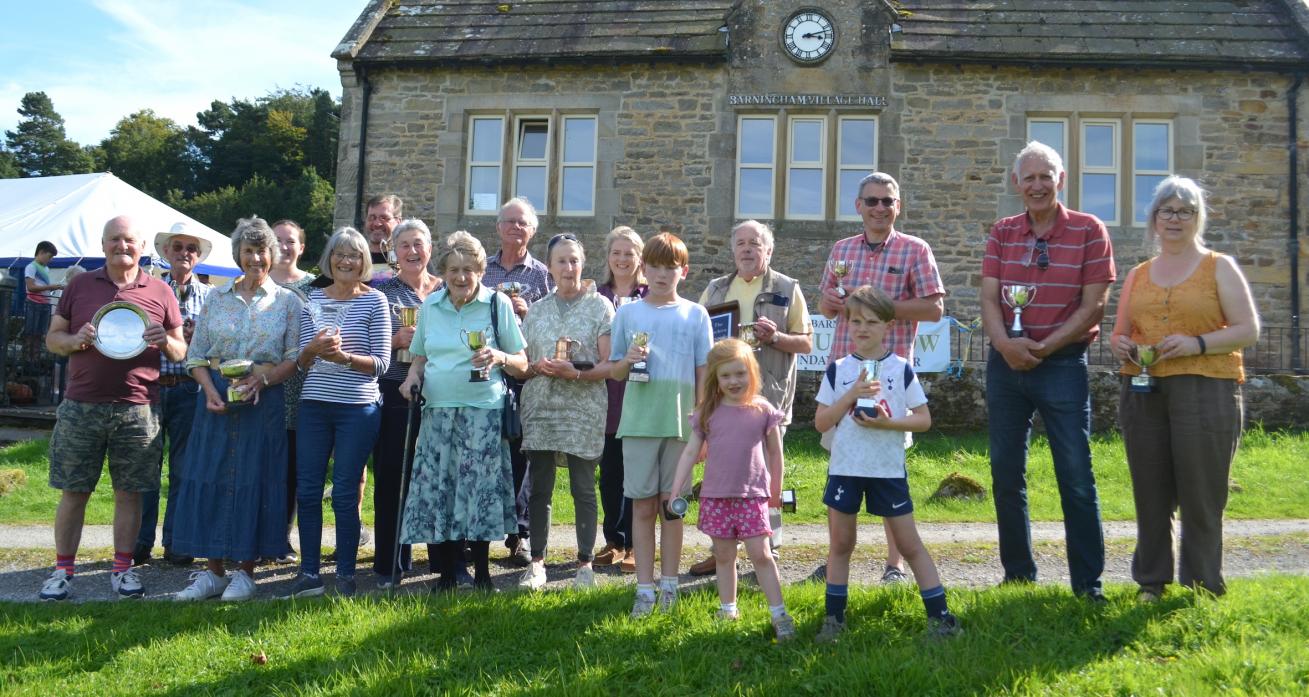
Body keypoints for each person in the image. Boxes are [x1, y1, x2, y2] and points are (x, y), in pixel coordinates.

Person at [1109, 176, 1259, 601]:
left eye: (1185, 211)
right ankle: (1151, 582)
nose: (1175, 219)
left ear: (1198, 218)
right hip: (1142, 389)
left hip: (1207, 387)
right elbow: (1119, 333)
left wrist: (1197, 343)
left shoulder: (1219, 266)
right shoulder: (1138, 274)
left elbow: (1249, 330)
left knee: (1201, 492)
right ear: (1153, 219)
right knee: (1150, 491)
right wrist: (1120, 344)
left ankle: (1202, 585)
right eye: (1167, 210)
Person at [981, 141, 1115, 602]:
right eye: (1029, 177)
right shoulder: (1002, 231)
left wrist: (1044, 347)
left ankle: (1087, 584)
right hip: (1005, 366)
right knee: (1005, 474)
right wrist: (1004, 344)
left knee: (1075, 474)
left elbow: (1095, 304)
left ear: (1061, 180)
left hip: (1061, 365)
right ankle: (1018, 576)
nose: (1037, 185)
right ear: (1016, 184)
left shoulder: (1089, 230)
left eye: (1046, 176)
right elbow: (989, 297)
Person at [39, 216, 186, 600]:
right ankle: (62, 571)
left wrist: (165, 342)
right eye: (115, 240)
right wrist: (75, 340)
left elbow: (181, 349)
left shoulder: (160, 291)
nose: (123, 246)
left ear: (142, 247)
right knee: (74, 491)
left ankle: (123, 570)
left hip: (138, 407)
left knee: (130, 492)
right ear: (104, 245)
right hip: (81, 404)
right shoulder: (79, 285)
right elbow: (53, 339)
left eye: (130, 240)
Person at [816, 171, 945, 584]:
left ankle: (895, 564)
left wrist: (878, 307)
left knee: (890, 469)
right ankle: (837, 554)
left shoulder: (915, 250)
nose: (879, 208)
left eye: (887, 201)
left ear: (898, 207)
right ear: (859, 207)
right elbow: (824, 305)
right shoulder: (842, 249)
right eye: (871, 201)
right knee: (841, 462)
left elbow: (933, 310)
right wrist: (833, 301)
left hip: (889, 378)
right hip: (844, 373)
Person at [814, 286, 959, 641]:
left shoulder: (901, 369)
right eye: (856, 321)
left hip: (887, 470)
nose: (863, 328)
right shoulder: (837, 370)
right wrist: (851, 396)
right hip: (846, 468)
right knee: (841, 545)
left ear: (888, 326)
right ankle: (834, 620)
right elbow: (820, 422)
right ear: (847, 324)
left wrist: (887, 423)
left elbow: (923, 420)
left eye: (872, 322)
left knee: (909, 545)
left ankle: (942, 619)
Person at [170, 217, 303, 601]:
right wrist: (209, 390)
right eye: (249, 250)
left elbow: (294, 359)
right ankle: (212, 572)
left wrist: (262, 379)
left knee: (254, 480)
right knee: (209, 477)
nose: (256, 258)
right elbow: (195, 357)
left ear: (272, 254)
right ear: (238, 254)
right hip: (215, 402)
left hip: (264, 403)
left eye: (262, 250)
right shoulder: (216, 298)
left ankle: (245, 571)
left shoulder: (287, 302)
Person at [399, 230, 528, 592]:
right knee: (444, 489)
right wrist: (411, 378)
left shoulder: (496, 305)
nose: (460, 277)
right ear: (443, 271)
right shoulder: (431, 306)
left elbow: (522, 362)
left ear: (481, 271)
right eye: (453, 269)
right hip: (438, 411)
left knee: (480, 491)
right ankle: (449, 572)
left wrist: (499, 356)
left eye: (468, 269)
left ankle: (484, 573)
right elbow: (421, 358)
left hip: (483, 412)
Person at [691, 219, 813, 576]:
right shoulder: (714, 291)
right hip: (723, 403)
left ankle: (768, 551)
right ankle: (721, 550)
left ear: (768, 250)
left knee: (767, 474)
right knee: (721, 474)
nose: (747, 249)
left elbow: (806, 343)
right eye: (741, 243)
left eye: (755, 243)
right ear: (732, 250)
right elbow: (701, 346)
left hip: (768, 400)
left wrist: (776, 337)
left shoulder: (788, 288)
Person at [282, 227, 392, 598]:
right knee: (309, 491)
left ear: (364, 262)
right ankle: (309, 572)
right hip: (314, 405)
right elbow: (300, 362)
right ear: (328, 258)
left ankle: (345, 573)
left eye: (355, 255)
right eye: (340, 254)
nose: (347, 261)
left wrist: (344, 357)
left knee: (345, 492)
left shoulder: (375, 301)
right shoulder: (311, 297)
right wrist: (313, 348)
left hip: (358, 408)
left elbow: (381, 364)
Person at [609, 232, 712, 617]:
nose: (662, 274)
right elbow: (616, 369)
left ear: (683, 271)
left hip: (681, 425)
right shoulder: (628, 313)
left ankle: (670, 585)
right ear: (643, 268)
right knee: (641, 509)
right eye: (654, 266)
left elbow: (704, 368)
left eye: (670, 267)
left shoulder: (695, 313)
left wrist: (702, 422)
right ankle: (645, 589)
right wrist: (628, 358)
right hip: (638, 423)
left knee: (674, 508)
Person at [668, 339, 793, 641]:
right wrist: (675, 491)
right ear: (715, 378)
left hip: (753, 496)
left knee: (761, 554)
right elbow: (689, 453)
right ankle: (728, 609)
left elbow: (776, 454)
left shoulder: (763, 409)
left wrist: (775, 490)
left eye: (740, 373)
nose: (734, 381)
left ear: (751, 372)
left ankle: (780, 615)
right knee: (724, 556)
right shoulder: (707, 412)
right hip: (716, 497)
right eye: (726, 376)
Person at [517, 234, 615, 590]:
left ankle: (585, 564)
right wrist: (536, 366)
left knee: (583, 488)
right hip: (541, 406)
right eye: (561, 261)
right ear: (551, 266)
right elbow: (521, 365)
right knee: (540, 488)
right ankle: (537, 564)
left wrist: (575, 372)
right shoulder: (537, 309)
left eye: (574, 260)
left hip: (583, 407)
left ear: (582, 263)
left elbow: (610, 365)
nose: (568, 268)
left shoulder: (601, 306)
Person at [132, 223, 213, 568]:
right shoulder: (149, 291)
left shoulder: (210, 298)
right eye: (177, 247)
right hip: (149, 386)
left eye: (191, 248)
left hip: (188, 390)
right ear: (165, 252)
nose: (184, 253)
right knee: (144, 468)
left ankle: (177, 542)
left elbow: (217, 346)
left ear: (197, 256)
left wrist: (198, 340)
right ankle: (138, 542)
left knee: (183, 468)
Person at [481, 197, 554, 566]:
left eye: (522, 223)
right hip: (485, 375)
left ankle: (521, 533)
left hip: (526, 377)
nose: (515, 227)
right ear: (498, 228)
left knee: (524, 455)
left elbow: (555, 326)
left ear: (533, 230)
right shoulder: (481, 270)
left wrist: (530, 313)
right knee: (487, 453)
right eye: (508, 221)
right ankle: (480, 531)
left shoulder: (542, 274)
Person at [372, 218, 445, 588]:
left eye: (419, 244)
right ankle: (391, 562)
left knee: (438, 476)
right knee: (393, 477)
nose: (413, 251)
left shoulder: (447, 290)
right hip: (395, 392)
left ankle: (442, 559)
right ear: (394, 253)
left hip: (444, 394)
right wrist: (394, 339)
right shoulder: (380, 292)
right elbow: (367, 346)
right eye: (405, 245)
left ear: (430, 248)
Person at [595, 226, 647, 572]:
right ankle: (613, 540)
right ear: (608, 257)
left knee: (636, 471)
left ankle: (635, 544)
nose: (622, 259)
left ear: (639, 257)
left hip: (641, 392)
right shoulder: (597, 294)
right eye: (616, 252)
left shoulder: (651, 294)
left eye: (629, 253)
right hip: (606, 394)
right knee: (610, 471)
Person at [270, 219, 317, 563]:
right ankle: (257, 535)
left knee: (293, 470)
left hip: (302, 387)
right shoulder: (254, 283)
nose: (284, 246)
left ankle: (283, 538)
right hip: (263, 384)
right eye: (277, 240)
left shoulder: (316, 286)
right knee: (263, 466)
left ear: (301, 247)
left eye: (290, 241)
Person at [23, 240, 63, 363]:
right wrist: (51, 287)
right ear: (41, 252)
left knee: (40, 334)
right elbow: (31, 287)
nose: (50, 259)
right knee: (31, 332)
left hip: (44, 304)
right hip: (33, 304)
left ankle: (34, 359)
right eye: (50, 256)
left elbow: (41, 286)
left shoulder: (45, 268)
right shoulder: (31, 267)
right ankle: (26, 359)